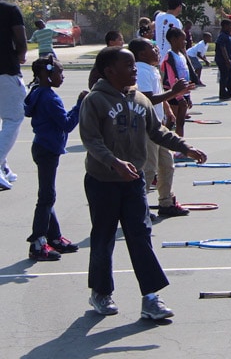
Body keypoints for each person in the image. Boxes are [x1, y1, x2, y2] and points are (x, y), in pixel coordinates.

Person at [80, 46, 207, 319]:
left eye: (134, 65)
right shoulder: (95, 100)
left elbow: (157, 131)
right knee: (103, 238)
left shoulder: (140, 99)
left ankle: (150, 298)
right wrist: (114, 162)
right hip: (103, 181)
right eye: (128, 65)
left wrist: (185, 147)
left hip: (133, 182)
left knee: (140, 236)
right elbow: (91, 140)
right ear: (109, 71)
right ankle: (100, 292)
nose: (134, 70)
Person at [24, 55, 87, 260]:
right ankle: (37, 242)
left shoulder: (37, 92)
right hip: (47, 149)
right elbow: (67, 124)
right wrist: (79, 105)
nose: (63, 76)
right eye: (59, 72)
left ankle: (54, 237)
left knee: (47, 194)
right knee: (46, 197)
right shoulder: (50, 98)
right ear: (46, 74)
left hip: (42, 147)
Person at [129, 38, 193, 218]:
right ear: (142, 54)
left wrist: (168, 110)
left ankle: (166, 202)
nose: (157, 50)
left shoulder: (151, 69)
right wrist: (174, 92)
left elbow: (157, 94)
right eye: (152, 48)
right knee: (148, 169)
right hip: (146, 127)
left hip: (158, 125)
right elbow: (147, 98)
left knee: (167, 165)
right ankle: (137, 208)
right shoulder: (141, 71)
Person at [0, 0, 27, 191]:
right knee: (13, 118)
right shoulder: (9, 10)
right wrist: (20, 56)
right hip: (5, 72)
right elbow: (20, 40)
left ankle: (4, 166)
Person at [161, 28, 196, 136]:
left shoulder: (182, 56)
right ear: (174, 40)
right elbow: (172, 78)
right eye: (183, 39)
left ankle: (180, 145)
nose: (185, 42)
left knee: (180, 122)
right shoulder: (170, 56)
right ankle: (162, 142)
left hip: (183, 92)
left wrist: (188, 96)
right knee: (171, 121)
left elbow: (186, 76)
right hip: (173, 93)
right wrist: (179, 97)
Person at [215, 19, 231, 100]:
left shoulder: (227, 35)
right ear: (225, 26)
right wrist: (227, 60)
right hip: (223, 60)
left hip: (228, 59)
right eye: (230, 25)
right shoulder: (222, 36)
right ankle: (223, 94)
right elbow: (222, 48)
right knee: (225, 76)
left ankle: (230, 92)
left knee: (230, 76)